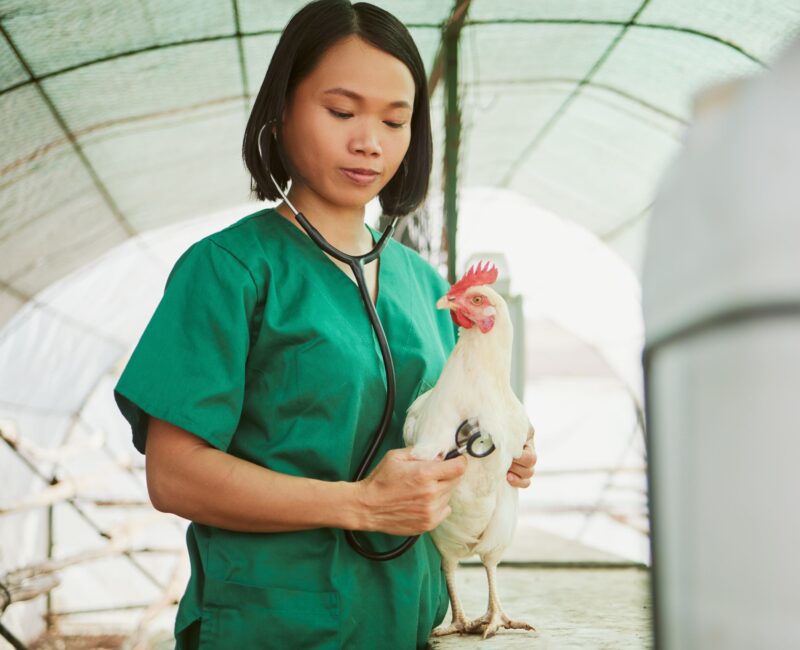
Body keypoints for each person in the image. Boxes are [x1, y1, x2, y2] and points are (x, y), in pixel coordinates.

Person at [113, 1, 536, 648]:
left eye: (396, 121)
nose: (370, 139)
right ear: (282, 110)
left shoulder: (425, 287)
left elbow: (432, 432)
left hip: (408, 621)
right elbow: (174, 475)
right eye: (342, 112)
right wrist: (360, 503)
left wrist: (495, 450)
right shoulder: (228, 271)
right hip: (271, 626)